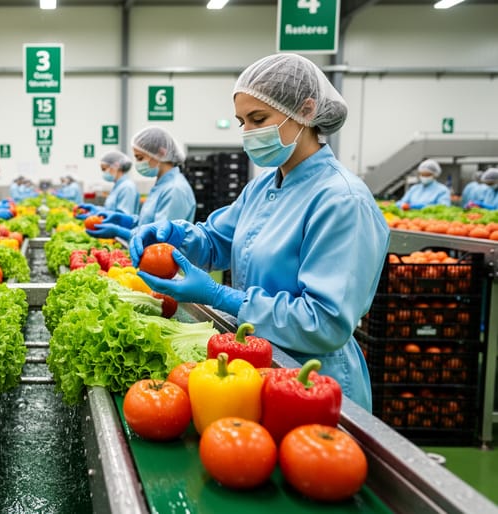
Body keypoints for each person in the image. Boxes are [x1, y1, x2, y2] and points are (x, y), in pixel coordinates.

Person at [129, 53, 389, 411]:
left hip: (314, 382)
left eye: (258, 119)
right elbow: (216, 242)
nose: (248, 132)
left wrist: (223, 297)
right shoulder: (264, 187)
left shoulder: (342, 200)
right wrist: (174, 235)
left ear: (307, 110)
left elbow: (324, 322)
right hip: (255, 363)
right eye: (242, 121)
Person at [86, 126, 196, 241]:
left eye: (140, 158)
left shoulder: (174, 189)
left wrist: (120, 232)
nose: (137, 163)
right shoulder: (161, 186)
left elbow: (161, 237)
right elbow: (148, 223)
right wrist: (124, 220)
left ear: (161, 153)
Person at [76, 150, 139, 217]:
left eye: (104, 169)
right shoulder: (118, 186)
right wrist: (96, 210)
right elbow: (110, 210)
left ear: (116, 166)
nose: (103, 172)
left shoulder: (127, 187)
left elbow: (123, 217)